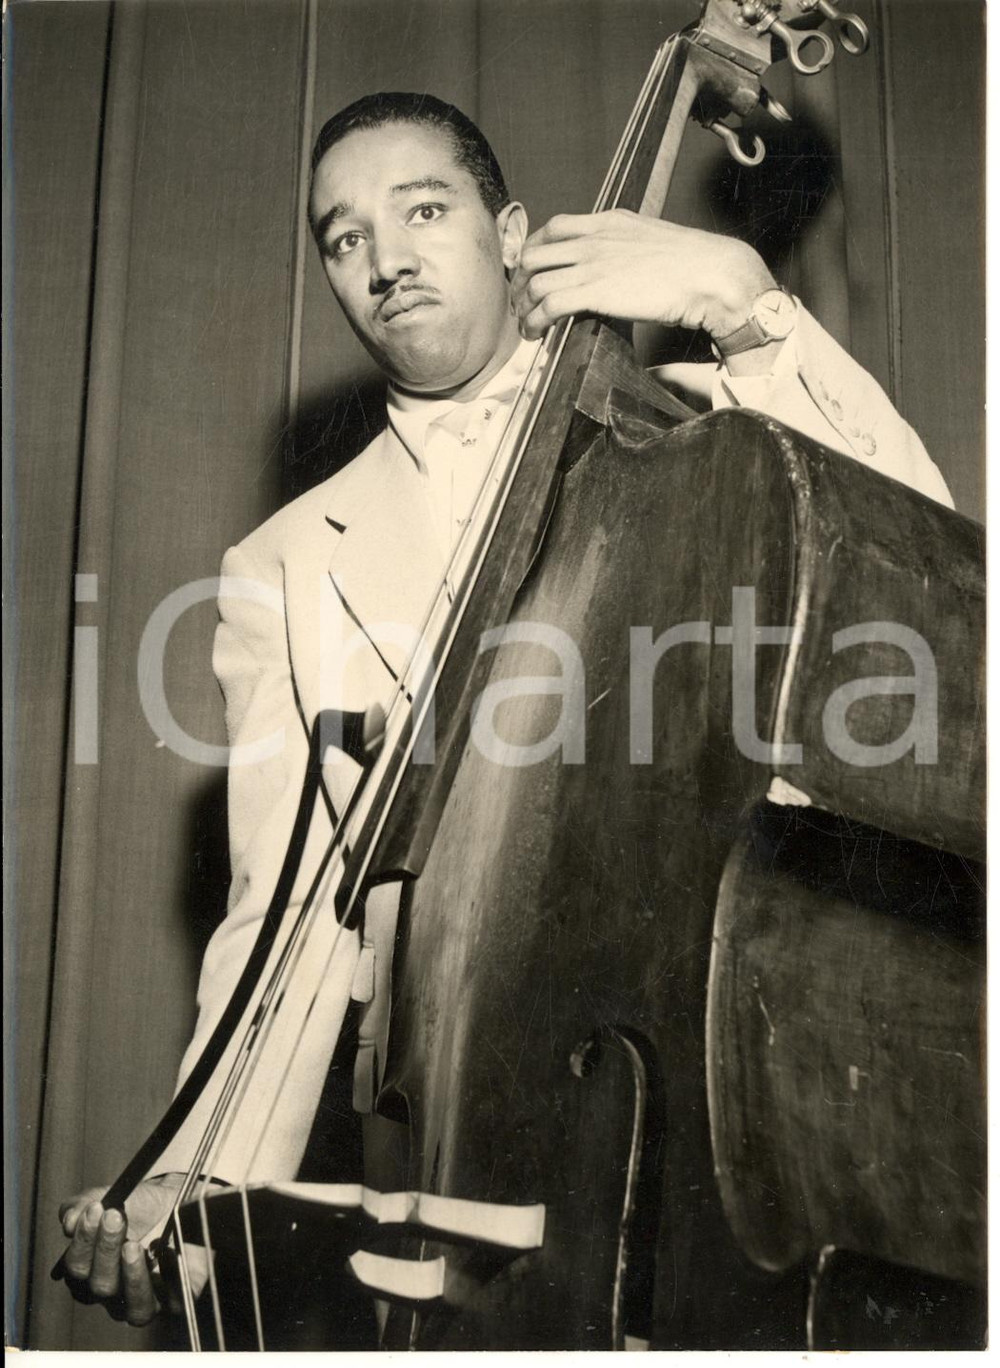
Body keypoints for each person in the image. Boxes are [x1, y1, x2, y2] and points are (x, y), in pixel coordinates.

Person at [57, 90, 952, 1331]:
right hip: (476, 1123)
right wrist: (197, 1185)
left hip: (758, 1047)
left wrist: (744, 303)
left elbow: (924, 557)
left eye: (423, 210)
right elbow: (285, 919)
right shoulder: (283, 566)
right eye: (345, 237)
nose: (385, 260)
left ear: (512, 233)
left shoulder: (707, 420)